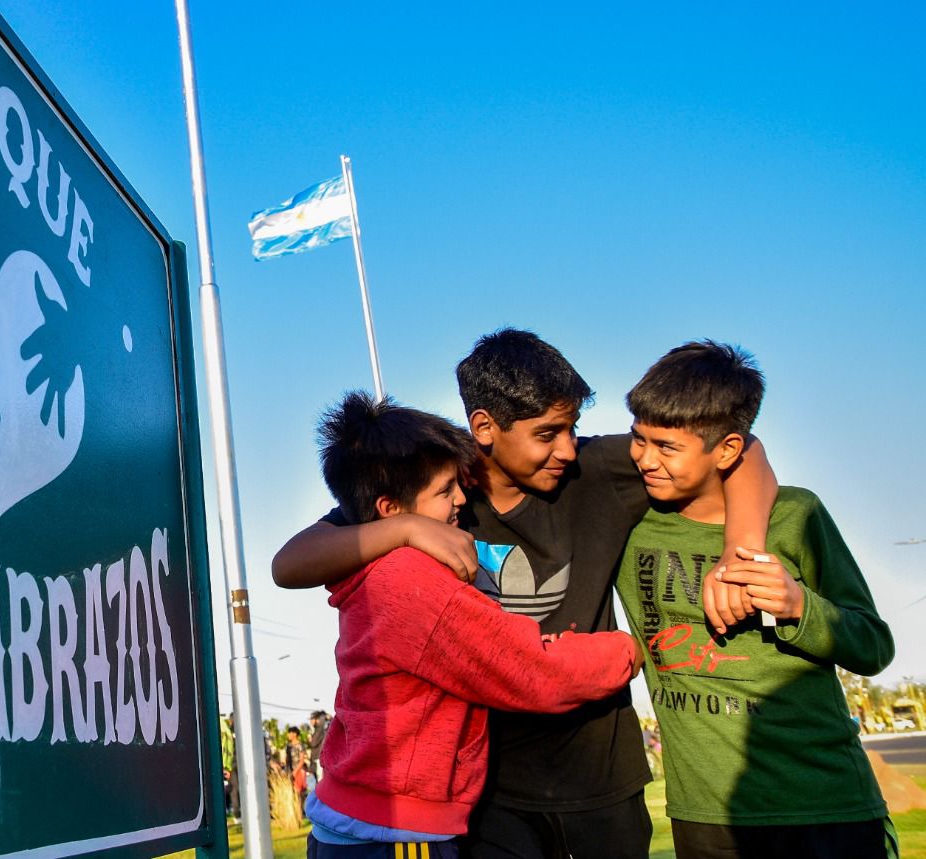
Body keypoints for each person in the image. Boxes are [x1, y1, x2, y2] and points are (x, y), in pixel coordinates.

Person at [274, 329, 779, 859]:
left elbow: (740, 448)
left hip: (601, 781)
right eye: (547, 433)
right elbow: (289, 564)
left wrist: (740, 555)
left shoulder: (596, 470)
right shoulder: (436, 488)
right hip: (491, 801)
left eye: (572, 427)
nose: (567, 448)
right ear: (484, 428)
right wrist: (405, 531)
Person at [305, 392, 642, 859]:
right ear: (388, 510)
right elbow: (532, 672)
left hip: (368, 819)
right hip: (398, 831)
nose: (463, 498)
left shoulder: (377, 566)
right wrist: (625, 650)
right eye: (445, 491)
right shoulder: (408, 579)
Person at [615, 341, 896, 858]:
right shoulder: (629, 521)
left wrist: (798, 606)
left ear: (725, 449)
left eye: (667, 448)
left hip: (827, 804)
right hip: (706, 814)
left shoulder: (798, 514)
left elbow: (874, 646)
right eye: (638, 439)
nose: (645, 460)